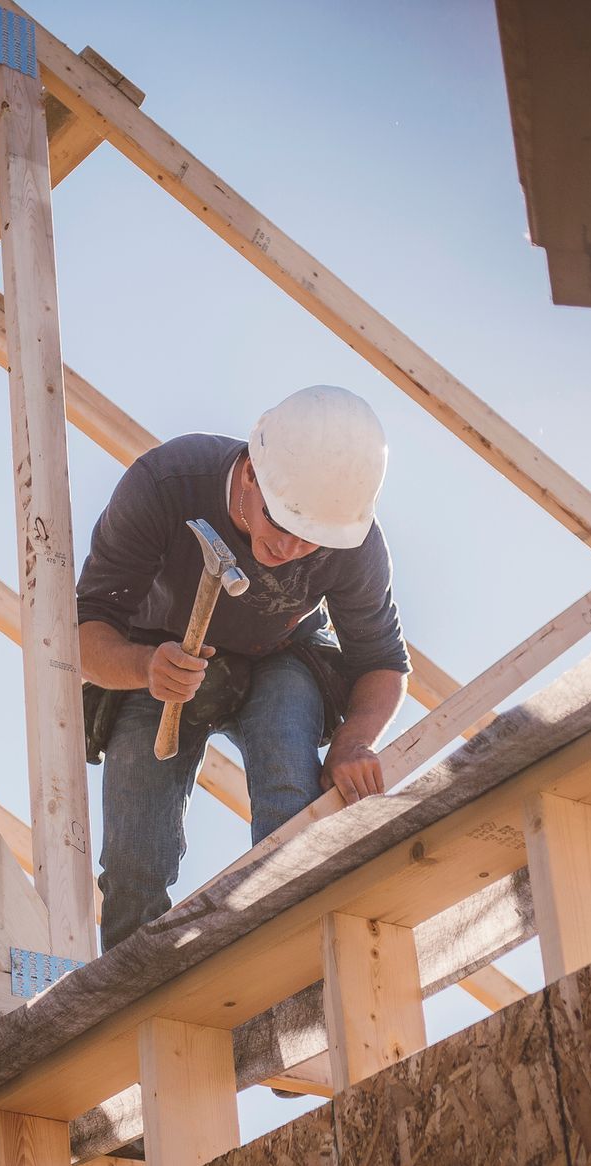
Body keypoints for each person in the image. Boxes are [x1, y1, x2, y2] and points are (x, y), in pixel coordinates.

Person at [76, 385, 411, 950]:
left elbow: (382, 661)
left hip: (283, 659)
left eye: (311, 541)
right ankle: (133, 1011)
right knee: (136, 860)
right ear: (251, 473)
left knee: (291, 818)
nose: (291, 548)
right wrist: (143, 667)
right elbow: (82, 630)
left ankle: (293, 959)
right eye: (280, 524)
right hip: (163, 656)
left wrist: (354, 742)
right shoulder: (166, 485)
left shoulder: (353, 541)